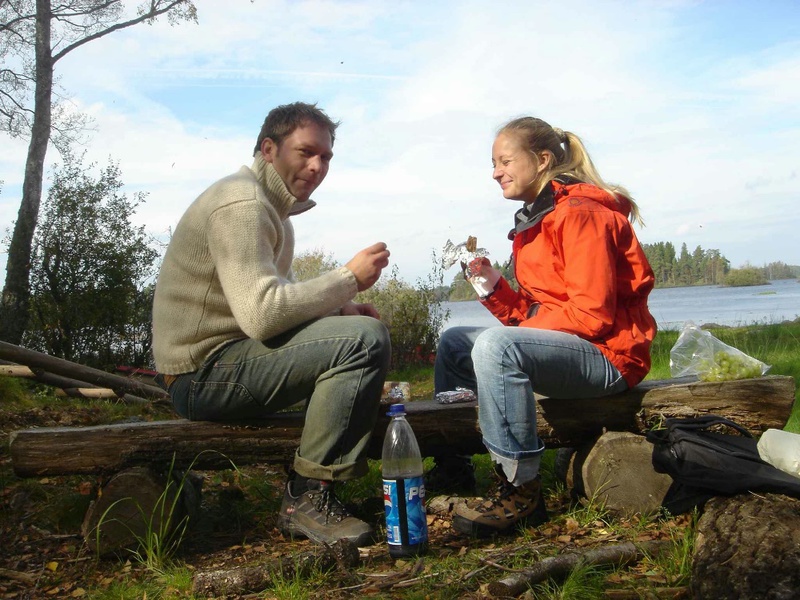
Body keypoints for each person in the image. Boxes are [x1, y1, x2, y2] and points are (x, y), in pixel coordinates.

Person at [151, 101, 391, 547]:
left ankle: (313, 487)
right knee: (362, 342)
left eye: (326, 157)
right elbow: (263, 313)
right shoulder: (241, 203)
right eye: (306, 152)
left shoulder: (271, 209)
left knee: (356, 331)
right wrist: (346, 280)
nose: (318, 166)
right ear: (268, 149)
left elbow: (283, 300)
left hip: (223, 365)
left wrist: (342, 311)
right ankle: (307, 497)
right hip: (200, 377)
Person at [435, 116, 657, 537]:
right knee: (454, 344)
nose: (495, 172)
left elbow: (591, 317)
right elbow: (531, 318)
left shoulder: (581, 214)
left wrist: (525, 323)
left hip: (611, 357)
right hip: (573, 346)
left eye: (504, 161)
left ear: (540, 160)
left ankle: (520, 489)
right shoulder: (539, 218)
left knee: (493, 347)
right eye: (493, 163)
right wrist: (492, 285)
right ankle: (451, 465)